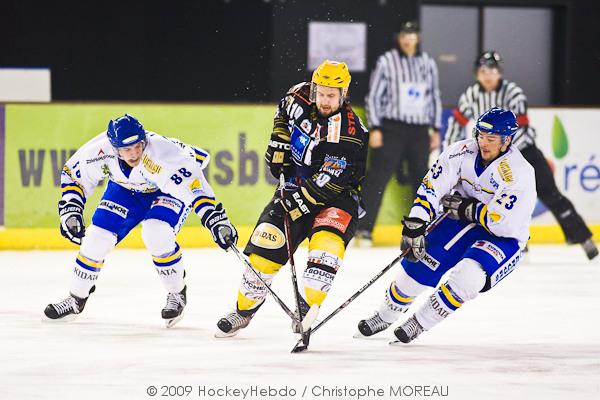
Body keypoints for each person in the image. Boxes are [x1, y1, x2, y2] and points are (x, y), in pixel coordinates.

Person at [215, 60, 368, 337]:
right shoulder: (298, 94)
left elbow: (330, 181)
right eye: (320, 92)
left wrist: (299, 200)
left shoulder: (350, 132)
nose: (323, 100)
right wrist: (279, 139)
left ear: (344, 94)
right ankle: (242, 311)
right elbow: (283, 114)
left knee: (324, 256)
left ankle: (307, 306)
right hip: (294, 186)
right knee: (263, 251)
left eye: (331, 95)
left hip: (337, 198)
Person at [356, 107, 535, 343]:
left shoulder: (519, 173)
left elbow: (501, 224)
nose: (483, 142)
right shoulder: (461, 151)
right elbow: (433, 186)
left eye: (491, 138)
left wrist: (466, 208)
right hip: (459, 220)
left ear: (507, 140)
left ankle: (420, 322)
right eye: (480, 135)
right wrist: (416, 223)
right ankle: (385, 315)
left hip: (504, 237)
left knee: (470, 278)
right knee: (418, 263)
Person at [43, 114, 238, 327]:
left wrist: (215, 219)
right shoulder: (98, 151)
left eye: (138, 146)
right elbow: (74, 176)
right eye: (127, 149)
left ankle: (176, 293)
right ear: (114, 148)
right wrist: (71, 210)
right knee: (96, 238)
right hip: (125, 190)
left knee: (157, 232)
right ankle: (76, 298)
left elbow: (193, 187)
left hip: (165, 189)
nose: (135, 153)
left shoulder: (164, 154)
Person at [444, 50, 597, 260]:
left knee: (550, 193)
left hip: (523, 152)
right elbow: (455, 125)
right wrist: (452, 152)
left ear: (499, 73)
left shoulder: (513, 93)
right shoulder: (470, 95)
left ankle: (583, 238)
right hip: (490, 156)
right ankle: (510, 239)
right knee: (490, 196)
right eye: (483, 71)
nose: (488, 75)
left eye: (492, 70)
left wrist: (504, 154)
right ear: (476, 74)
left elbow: (522, 129)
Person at [355, 20, 442, 247]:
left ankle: (425, 229)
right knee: (377, 178)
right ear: (399, 38)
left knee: (422, 181)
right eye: (404, 35)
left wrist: (436, 129)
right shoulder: (387, 61)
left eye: (412, 35)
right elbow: (373, 96)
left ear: (417, 38)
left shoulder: (428, 63)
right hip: (391, 127)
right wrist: (375, 127)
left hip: (419, 130)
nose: (407, 39)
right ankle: (363, 229)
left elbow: (434, 96)